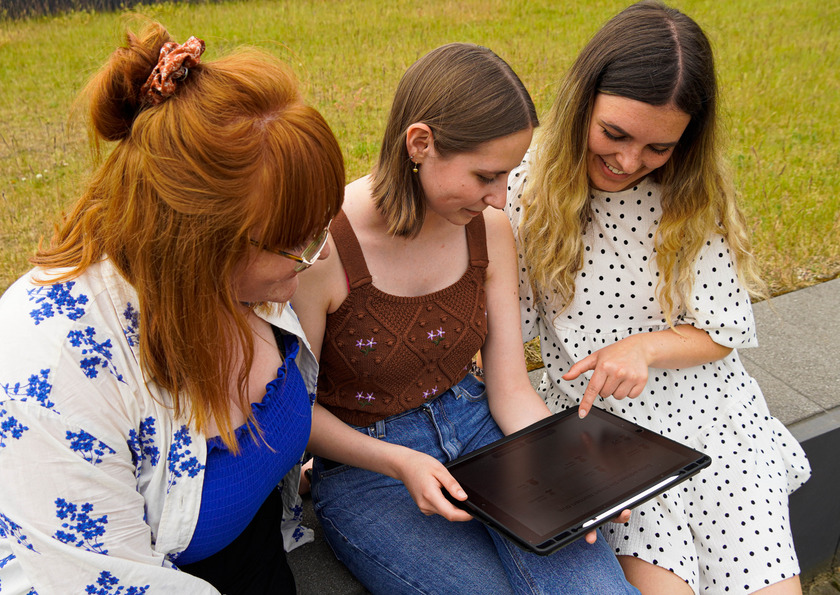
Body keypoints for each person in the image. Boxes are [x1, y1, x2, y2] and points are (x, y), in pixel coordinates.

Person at [0, 20, 344, 595]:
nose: (323, 251)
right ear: (202, 242)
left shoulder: (249, 278)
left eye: (323, 225)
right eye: (301, 239)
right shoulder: (51, 370)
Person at [290, 43, 639, 595]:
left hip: (484, 432)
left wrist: (570, 473)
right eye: (486, 176)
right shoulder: (327, 250)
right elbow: (292, 411)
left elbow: (508, 388)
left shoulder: (488, 230)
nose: (501, 198)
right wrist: (399, 461)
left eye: (508, 176)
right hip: (370, 473)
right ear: (420, 144)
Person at [505, 2, 811, 593]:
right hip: (601, 433)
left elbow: (720, 331)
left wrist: (642, 349)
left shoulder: (690, 194)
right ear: (581, 102)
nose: (628, 162)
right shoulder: (524, 185)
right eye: (614, 134)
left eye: (658, 148)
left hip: (716, 422)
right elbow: (502, 335)